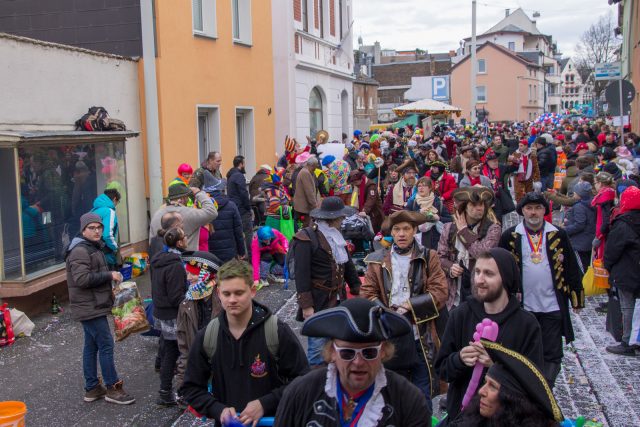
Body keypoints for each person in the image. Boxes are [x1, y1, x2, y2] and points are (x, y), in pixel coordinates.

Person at [181, 259, 309, 425]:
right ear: (218, 293)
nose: (232, 300)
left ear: (253, 290)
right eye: (226, 294)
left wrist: (265, 404)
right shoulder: (208, 335)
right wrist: (218, 410)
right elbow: (191, 388)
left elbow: (303, 380)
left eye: (239, 293)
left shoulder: (276, 331)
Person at [275, 298, 432, 426]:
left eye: (369, 353)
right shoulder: (300, 394)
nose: (358, 362)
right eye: (347, 353)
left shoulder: (408, 400)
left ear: (383, 351)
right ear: (332, 352)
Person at [434, 248, 544, 424]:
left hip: (505, 420)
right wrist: (459, 359)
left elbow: (534, 383)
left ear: (506, 278)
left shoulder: (527, 324)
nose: (479, 280)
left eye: (488, 274)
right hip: (462, 418)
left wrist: (497, 366)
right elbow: (442, 370)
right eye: (477, 272)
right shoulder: (460, 315)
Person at [361, 210, 448, 409]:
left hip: (421, 336)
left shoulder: (429, 256)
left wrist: (410, 305)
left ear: (414, 230)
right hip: (389, 337)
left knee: (422, 395)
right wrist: (387, 314)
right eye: (397, 229)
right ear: (392, 232)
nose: (401, 234)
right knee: (389, 393)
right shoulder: (377, 259)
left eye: (406, 229)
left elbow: (440, 292)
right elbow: (367, 293)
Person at [499, 192, 584, 387]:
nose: (533, 212)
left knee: (552, 352)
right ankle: (527, 386)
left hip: (552, 305)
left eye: (538, 208)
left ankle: (546, 388)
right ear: (522, 211)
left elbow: (571, 266)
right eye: (529, 208)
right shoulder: (510, 235)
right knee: (523, 349)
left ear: (544, 210)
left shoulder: (558, 234)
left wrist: (577, 298)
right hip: (523, 306)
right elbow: (501, 270)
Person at [65, 213, 135, 405]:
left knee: (91, 345)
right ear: (83, 230)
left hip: (93, 304)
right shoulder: (80, 250)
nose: (96, 231)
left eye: (99, 227)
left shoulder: (92, 247)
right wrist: (109, 275)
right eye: (92, 228)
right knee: (106, 345)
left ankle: (92, 388)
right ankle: (112, 388)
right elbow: (82, 279)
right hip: (89, 306)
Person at [291, 196, 362, 367]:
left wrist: (356, 287)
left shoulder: (336, 235)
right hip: (318, 301)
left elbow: (346, 264)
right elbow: (301, 274)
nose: (343, 219)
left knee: (338, 347)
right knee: (317, 351)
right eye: (341, 217)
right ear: (333, 218)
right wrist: (306, 306)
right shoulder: (306, 238)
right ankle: (317, 381)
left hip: (338, 299)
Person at [450, 341, 563, 427]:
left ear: (512, 400)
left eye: (493, 386)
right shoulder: (470, 421)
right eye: (485, 382)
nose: (481, 391)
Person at [438, 187, 502, 310]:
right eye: (474, 205)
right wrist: (450, 267)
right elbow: (440, 257)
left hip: (480, 292)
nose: (479, 208)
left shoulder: (493, 229)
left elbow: (482, 254)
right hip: (453, 295)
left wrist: (464, 232)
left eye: (481, 204)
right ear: (465, 207)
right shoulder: (449, 228)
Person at [175, 251, 223, 404]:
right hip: (200, 373)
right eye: (187, 273)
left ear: (206, 275)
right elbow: (184, 348)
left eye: (193, 274)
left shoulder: (225, 300)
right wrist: (183, 384)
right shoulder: (186, 304)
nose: (188, 278)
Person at [150, 227, 188, 406]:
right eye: (185, 237)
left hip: (161, 311)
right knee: (172, 352)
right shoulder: (175, 264)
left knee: (166, 348)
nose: (187, 239)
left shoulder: (160, 259)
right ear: (179, 242)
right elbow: (176, 296)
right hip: (171, 314)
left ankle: (165, 390)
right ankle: (165, 392)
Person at [604, 186, 640, 356]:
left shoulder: (623, 223)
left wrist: (608, 265)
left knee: (627, 307)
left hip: (626, 271)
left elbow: (612, 250)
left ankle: (627, 342)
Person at [149, 182, 218, 251]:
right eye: (187, 197)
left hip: (159, 256)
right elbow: (212, 212)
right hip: (186, 256)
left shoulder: (157, 214)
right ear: (182, 198)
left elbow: (151, 242)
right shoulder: (190, 213)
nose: (188, 200)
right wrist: (198, 193)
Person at [204, 174, 246, 263]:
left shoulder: (201, 207)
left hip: (209, 254)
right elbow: (238, 231)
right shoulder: (231, 205)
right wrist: (241, 251)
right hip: (229, 253)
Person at [407, 176, 449, 249]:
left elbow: (450, 219)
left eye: (424, 186)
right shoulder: (413, 201)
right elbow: (405, 216)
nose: (421, 188)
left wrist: (438, 218)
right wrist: (418, 212)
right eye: (419, 186)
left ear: (430, 188)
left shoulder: (438, 202)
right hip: (416, 239)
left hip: (435, 240)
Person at [563, 181, 596, 272]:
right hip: (587, 240)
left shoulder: (579, 207)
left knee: (580, 267)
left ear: (579, 195)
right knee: (586, 264)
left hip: (579, 243)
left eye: (575, 192)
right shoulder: (591, 203)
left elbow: (579, 224)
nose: (573, 194)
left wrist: (565, 229)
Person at [227, 155, 254, 261]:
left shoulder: (231, 176)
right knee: (248, 233)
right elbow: (243, 193)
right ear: (241, 164)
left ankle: (239, 256)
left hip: (234, 208)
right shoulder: (239, 176)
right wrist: (248, 208)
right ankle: (250, 257)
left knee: (237, 233)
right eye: (244, 163)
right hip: (242, 209)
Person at [481, 151, 516, 221]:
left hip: (500, 195)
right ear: (488, 162)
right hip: (487, 197)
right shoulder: (481, 170)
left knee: (500, 214)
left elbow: (513, 168)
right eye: (494, 161)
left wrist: (515, 160)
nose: (496, 163)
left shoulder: (501, 167)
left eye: (497, 160)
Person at [92, 188, 120, 270]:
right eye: (118, 202)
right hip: (106, 255)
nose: (116, 204)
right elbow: (107, 235)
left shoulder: (93, 211)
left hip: (93, 253)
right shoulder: (109, 211)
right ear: (114, 199)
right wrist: (115, 247)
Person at [292, 153, 321, 228]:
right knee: (307, 226)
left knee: (305, 226)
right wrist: (315, 206)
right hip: (304, 207)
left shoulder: (306, 171)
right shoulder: (305, 173)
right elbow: (309, 192)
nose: (316, 168)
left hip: (303, 206)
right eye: (316, 166)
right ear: (312, 165)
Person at [592, 171, 616, 260]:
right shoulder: (612, 192)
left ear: (600, 183)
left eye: (595, 183)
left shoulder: (604, 197)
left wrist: (599, 236)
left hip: (603, 235)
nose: (594, 186)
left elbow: (605, 219)